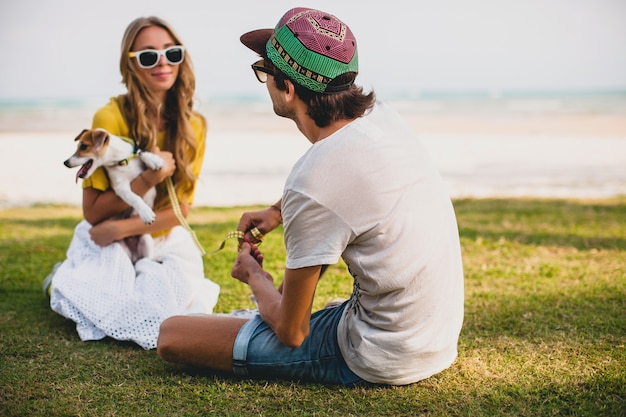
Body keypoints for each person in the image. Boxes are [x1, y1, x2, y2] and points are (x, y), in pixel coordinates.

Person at [157, 7, 464, 386]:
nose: (264, 82)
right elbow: (342, 188)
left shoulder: (313, 180)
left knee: (171, 333)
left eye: (263, 73)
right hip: (433, 339)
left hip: (380, 354)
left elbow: (292, 333)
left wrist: (254, 277)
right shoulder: (381, 119)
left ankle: (253, 319)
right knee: (278, 303)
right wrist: (276, 211)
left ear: (287, 88)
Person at [46, 16, 220, 350]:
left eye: (172, 53)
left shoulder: (195, 124)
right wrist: (148, 179)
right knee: (101, 301)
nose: (163, 63)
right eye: (148, 56)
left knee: (170, 310)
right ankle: (64, 276)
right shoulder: (108, 120)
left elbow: (181, 211)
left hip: (157, 236)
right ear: (131, 65)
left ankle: (73, 274)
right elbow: (94, 214)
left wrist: (121, 231)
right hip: (107, 234)